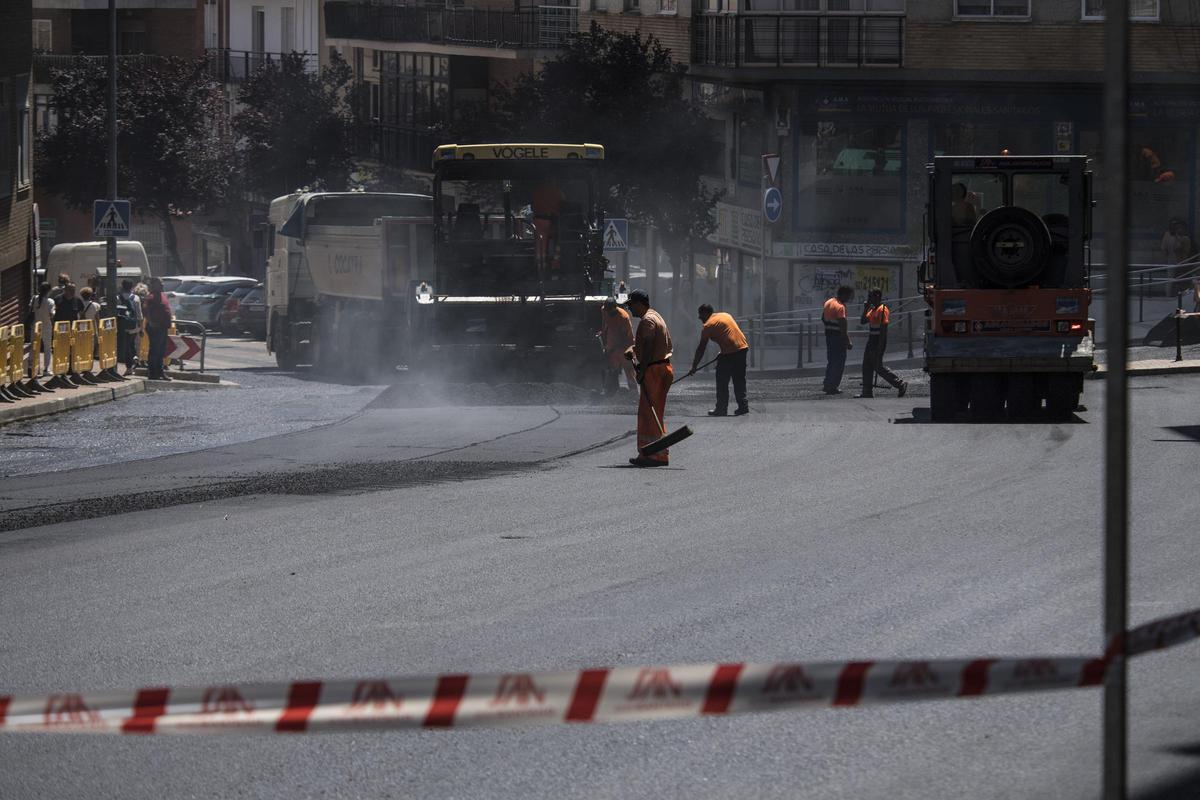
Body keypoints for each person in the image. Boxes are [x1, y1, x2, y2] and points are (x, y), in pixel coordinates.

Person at [623, 290, 673, 467]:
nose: (630, 310)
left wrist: (642, 369)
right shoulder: (655, 315)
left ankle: (650, 454)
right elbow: (646, 343)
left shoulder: (647, 320)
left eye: (631, 306)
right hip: (663, 367)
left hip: (654, 370)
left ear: (639, 303)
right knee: (655, 413)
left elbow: (650, 342)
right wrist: (634, 349)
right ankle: (659, 454)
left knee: (647, 413)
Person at [688, 303, 749, 417]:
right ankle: (743, 406)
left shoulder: (708, 326)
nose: (699, 317)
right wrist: (722, 353)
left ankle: (721, 408)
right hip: (742, 348)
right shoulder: (725, 315)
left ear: (706, 313)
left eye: (700, 314)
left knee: (722, 380)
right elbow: (729, 335)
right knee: (739, 379)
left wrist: (694, 366)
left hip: (731, 352)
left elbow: (701, 348)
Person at [856, 289, 908, 399]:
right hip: (871, 340)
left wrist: (880, 346)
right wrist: (865, 308)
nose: (869, 299)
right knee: (867, 365)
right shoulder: (872, 310)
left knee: (878, 367)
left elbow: (883, 330)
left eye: (871, 296)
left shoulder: (883, 309)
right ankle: (867, 391)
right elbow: (863, 321)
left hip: (878, 341)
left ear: (877, 296)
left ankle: (900, 383)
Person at [599, 298, 637, 393]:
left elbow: (626, 337)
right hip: (612, 343)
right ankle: (612, 391)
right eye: (607, 310)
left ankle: (633, 392)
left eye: (610, 311)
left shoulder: (623, 318)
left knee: (629, 369)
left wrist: (614, 348)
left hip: (625, 345)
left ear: (615, 308)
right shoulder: (604, 310)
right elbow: (605, 324)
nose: (608, 313)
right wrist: (604, 336)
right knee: (612, 367)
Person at [822, 286, 854, 395]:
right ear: (844, 294)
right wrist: (848, 342)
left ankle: (827, 384)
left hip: (829, 336)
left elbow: (823, 318)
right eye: (849, 296)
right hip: (838, 338)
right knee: (839, 363)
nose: (849, 298)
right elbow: (843, 327)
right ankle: (833, 386)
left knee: (831, 361)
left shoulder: (829, 302)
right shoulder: (840, 307)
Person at [142, 276, 173, 381]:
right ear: (154, 284)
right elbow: (145, 311)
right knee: (155, 351)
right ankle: (153, 373)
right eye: (160, 283)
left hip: (163, 327)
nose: (162, 285)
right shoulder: (150, 297)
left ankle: (160, 372)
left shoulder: (162, 295)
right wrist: (151, 322)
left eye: (162, 283)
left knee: (161, 351)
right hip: (155, 327)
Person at [531, 178, 564, 271]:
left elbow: (533, 207)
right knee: (560, 238)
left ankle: (540, 265)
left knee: (540, 243)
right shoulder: (557, 192)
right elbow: (563, 205)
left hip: (539, 221)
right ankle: (555, 263)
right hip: (553, 221)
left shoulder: (537, 192)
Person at [116, 278, 141, 375]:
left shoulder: (118, 298)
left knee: (126, 347)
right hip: (133, 325)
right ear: (132, 287)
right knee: (131, 344)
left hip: (122, 326)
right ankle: (135, 356)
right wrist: (141, 327)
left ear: (122, 286)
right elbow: (139, 314)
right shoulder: (136, 298)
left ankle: (129, 367)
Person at [29, 282, 54, 376]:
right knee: (47, 348)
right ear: (49, 291)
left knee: (35, 347)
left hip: (35, 326)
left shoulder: (34, 298)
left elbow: (31, 310)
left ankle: (34, 368)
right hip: (46, 326)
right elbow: (51, 315)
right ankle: (46, 369)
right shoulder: (50, 301)